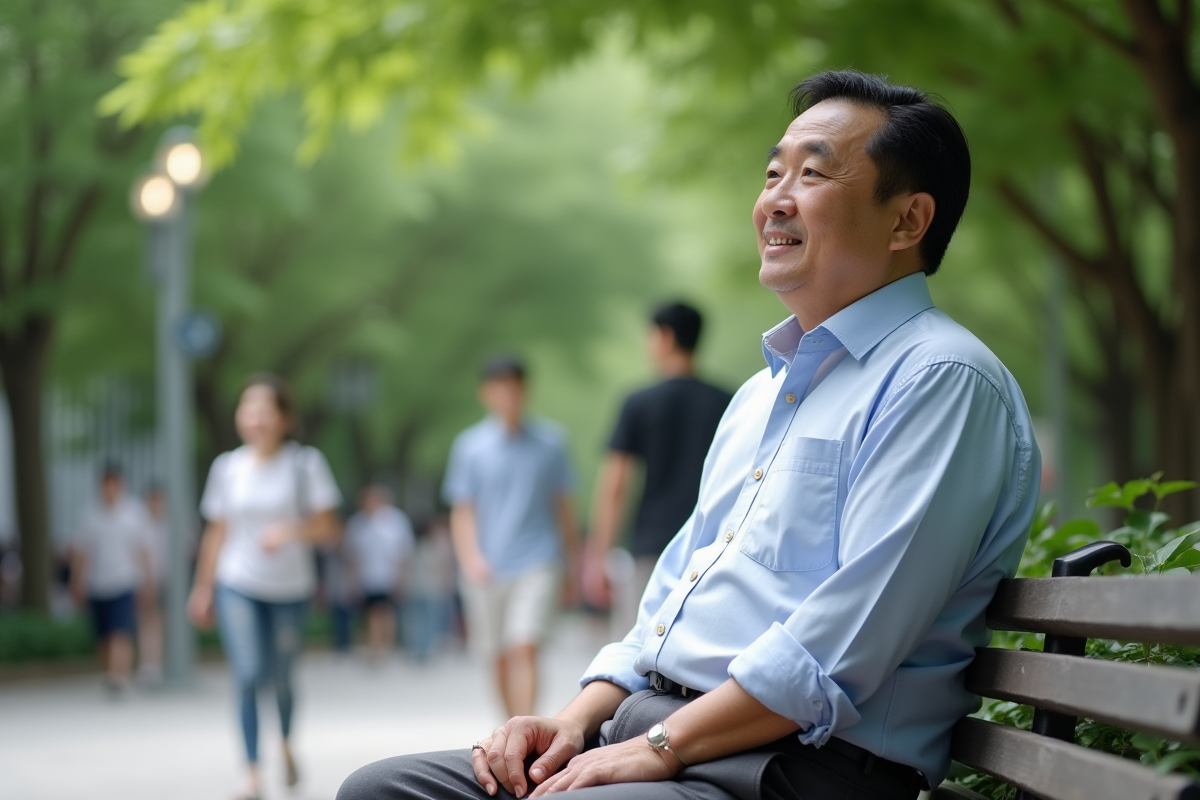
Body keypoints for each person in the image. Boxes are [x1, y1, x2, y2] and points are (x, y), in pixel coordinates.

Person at [337, 70, 1042, 800]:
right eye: (772, 173)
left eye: (812, 174)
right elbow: (668, 601)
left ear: (907, 221)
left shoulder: (942, 381)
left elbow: (839, 644)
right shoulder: (760, 395)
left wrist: (661, 748)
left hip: (793, 768)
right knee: (381, 791)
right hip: (664, 735)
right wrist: (572, 723)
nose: (775, 198)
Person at [189, 374, 342, 800]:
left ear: (285, 419)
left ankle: (287, 743)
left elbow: (329, 527)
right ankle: (252, 772)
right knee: (248, 672)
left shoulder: (305, 464)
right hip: (237, 582)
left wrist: (290, 531)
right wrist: (202, 588)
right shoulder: (227, 467)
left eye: (265, 410)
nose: (254, 418)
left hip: (291, 589)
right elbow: (216, 532)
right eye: (247, 408)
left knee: (282, 677)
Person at [443, 355, 580, 719]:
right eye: (499, 388)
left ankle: (527, 727)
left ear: (526, 390)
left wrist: (571, 564)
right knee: (497, 656)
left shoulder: (552, 443)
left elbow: (563, 507)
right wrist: (470, 558)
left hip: (539, 559)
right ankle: (509, 727)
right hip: (488, 565)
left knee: (525, 644)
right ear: (485, 393)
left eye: (514, 387)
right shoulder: (470, 447)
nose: (508, 396)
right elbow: (463, 510)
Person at [583, 302, 732, 637]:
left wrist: (599, 556)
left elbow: (616, 486)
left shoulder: (639, 402)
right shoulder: (728, 401)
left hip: (652, 549)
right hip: (711, 547)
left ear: (665, 337)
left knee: (641, 644)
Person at [70, 462, 155, 693]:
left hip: (125, 581)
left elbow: (143, 550)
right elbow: (82, 553)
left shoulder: (134, 513)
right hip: (97, 583)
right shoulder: (89, 515)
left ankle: (119, 676)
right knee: (103, 636)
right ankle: (110, 672)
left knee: (121, 631)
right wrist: (76, 581)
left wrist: (148, 581)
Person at [346, 483, 415, 662]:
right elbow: (353, 554)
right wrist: (354, 578)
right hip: (367, 577)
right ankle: (376, 646)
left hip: (389, 575)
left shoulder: (396, 520)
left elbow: (404, 551)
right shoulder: (358, 523)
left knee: (384, 612)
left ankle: (383, 646)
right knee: (374, 612)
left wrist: (402, 576)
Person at [403, 515, 460, 662]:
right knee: (429, 620)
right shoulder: (435, 547)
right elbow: (443, 567)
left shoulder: (416, 546)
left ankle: (419, 647)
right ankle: (424, 648)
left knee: (418, 620)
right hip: (432, 588)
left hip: (418, 587)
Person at [137, 482, 167, 683]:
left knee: (166, 622)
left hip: (169, 580)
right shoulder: (141, 524)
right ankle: (149, 665)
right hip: (147, 580)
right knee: (149, 622)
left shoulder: (174, 522)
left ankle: (162, 662)